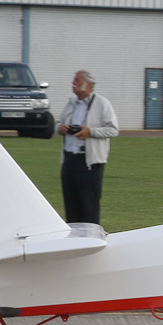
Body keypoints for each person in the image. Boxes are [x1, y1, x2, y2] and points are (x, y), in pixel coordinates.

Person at [57, 70, 118, 225]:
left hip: (89, 162)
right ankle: (74, 238)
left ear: (88, 85)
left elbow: (113, 129)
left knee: (89, 203)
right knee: (71, 202)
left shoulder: (102, 103)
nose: (73, 83)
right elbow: (58, 123)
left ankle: (91, 238)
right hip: (69, 159)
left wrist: (90, 132)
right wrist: (61, 128)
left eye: (76, 80)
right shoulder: (71, 103)